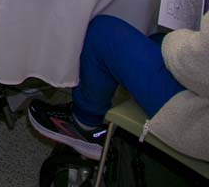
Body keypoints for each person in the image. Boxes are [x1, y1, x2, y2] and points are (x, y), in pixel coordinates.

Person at [28, 12, 207, 162]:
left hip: (199, 118)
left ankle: (84, 124)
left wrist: (176, 37)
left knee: (102, 33)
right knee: (152, 37)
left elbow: (195, 60)